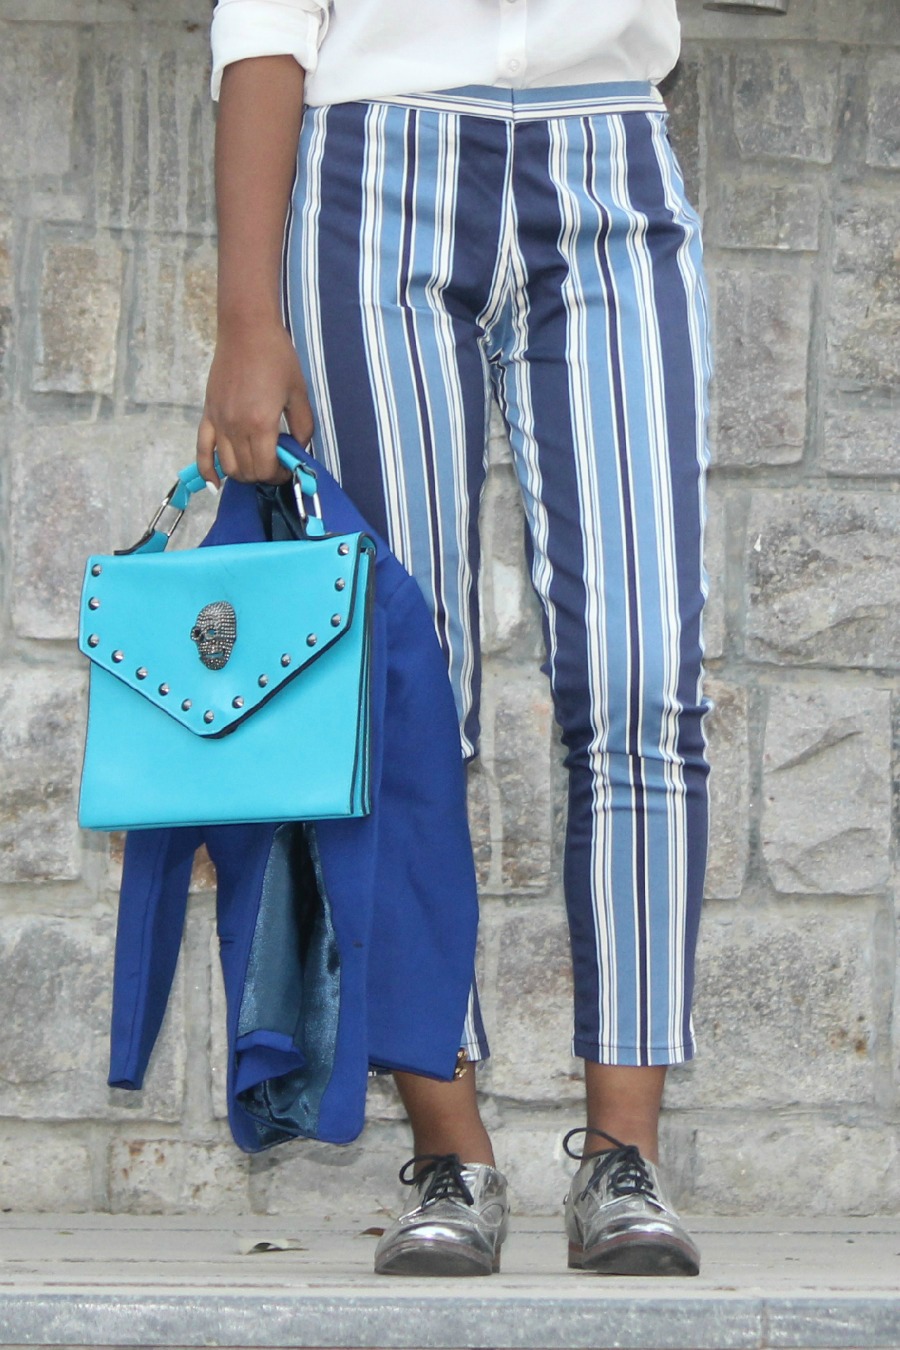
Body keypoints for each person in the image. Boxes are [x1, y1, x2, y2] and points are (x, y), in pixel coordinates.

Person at [198, 0, 711, 1278]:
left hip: (609, 154)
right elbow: (263, 23)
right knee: (398, 695)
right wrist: (247, 318)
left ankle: (624, 1159)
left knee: (646, 680)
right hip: (377, 164)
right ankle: (450, 1151)